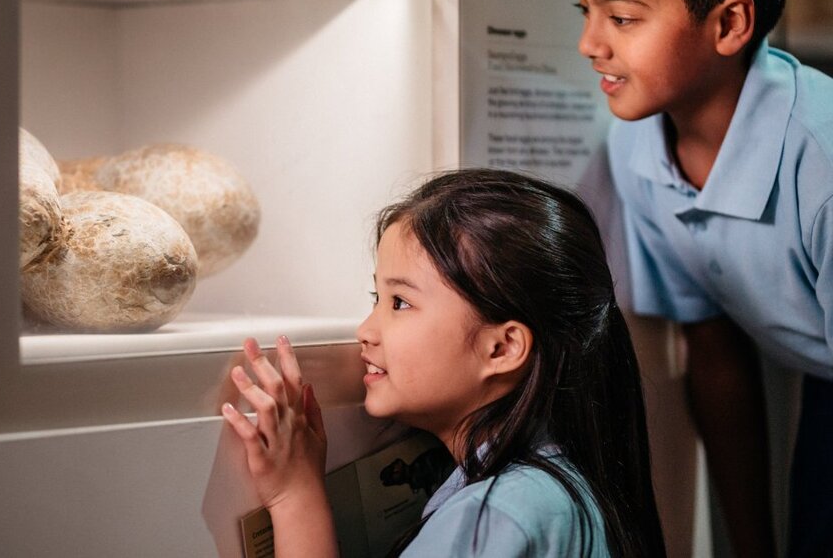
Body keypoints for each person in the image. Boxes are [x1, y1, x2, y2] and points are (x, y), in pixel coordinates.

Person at [221, 169, 666, 557]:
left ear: (502, 348)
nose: (366, 330)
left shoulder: (495, 516)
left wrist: (295, 496)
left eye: (400, 303)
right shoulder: (551, 482)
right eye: (377, 298)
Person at [574, 0, 833, 556]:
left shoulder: (822, 162)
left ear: (730, 24)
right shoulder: (636, 148)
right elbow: (713, 350)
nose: (589, 43)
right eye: (583, 11)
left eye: (621, 17)